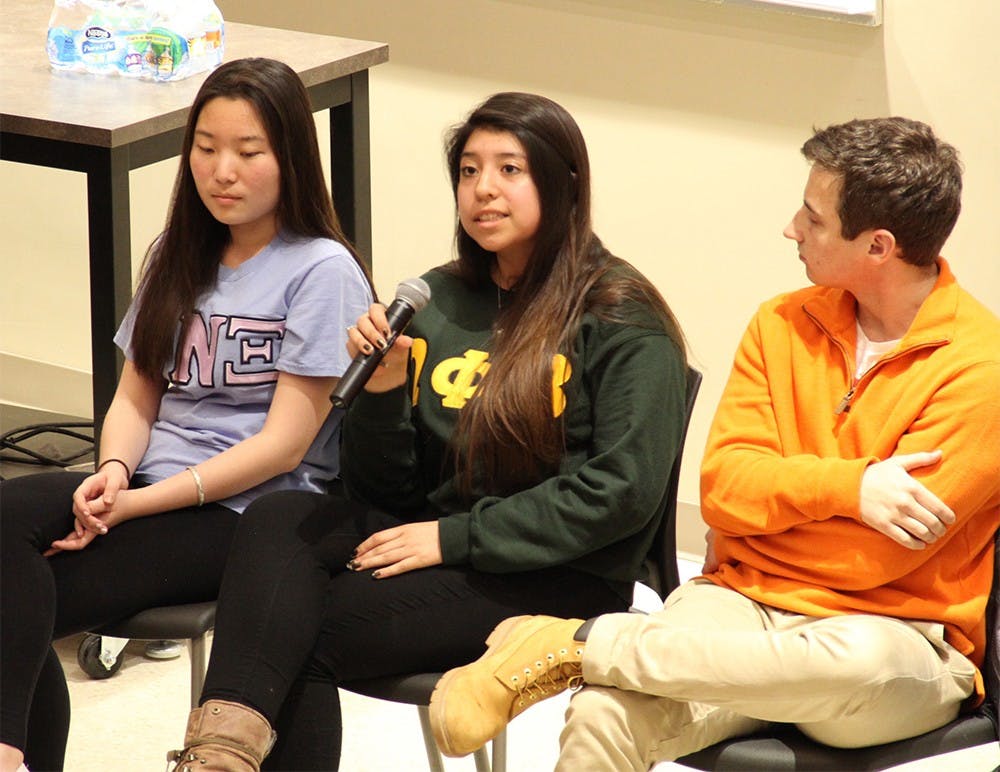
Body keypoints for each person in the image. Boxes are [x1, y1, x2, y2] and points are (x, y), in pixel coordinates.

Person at [428, 116, 1000, 769]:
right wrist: (853, 488)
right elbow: (725, 491)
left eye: (812, 219)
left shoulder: (982, 370)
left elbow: (874, 561)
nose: (791, 228)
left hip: (891, 635)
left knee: (857, 665)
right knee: (605, 711)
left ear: (878, 246)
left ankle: (581, 645)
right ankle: (602, 657)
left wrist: (782, 509)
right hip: (740, 601)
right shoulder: (781, 323)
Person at [164, 91, 688, 771]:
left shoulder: (618, 315)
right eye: (469, 172)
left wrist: (453, 537)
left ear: (563, 186)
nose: (483, 191)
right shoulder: (438, 300)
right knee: (281, 516)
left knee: (296, 634)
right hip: (444, 538)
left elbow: (620, 493)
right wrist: (380, 394)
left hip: (560, 574)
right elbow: (386, 489)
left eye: (509, 170)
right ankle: (219, 758)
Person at [0, 57, 373, 772]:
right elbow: (137, 396)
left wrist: (135, 505)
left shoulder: (322, 270)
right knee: (7, 523)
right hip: (150, 489)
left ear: (290, 157)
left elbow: (283, 449)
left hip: (250, 515)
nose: (222, 171)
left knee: (19, 600)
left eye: (247, 151)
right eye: (205, 148)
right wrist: (112, 470)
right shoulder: (177, 253)